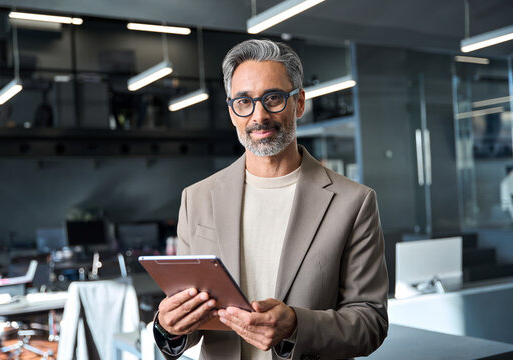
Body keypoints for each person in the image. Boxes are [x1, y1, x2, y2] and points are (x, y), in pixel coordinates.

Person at [152, 39, 388, 360]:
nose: (258, 115)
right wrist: (169, 327)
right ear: (232, 112)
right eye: (244, 101)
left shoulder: (354, 202)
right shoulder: (197, 199)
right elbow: (193, 316)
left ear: (299, 103)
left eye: (273, 98)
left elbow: (371, 321)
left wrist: (296, 326)